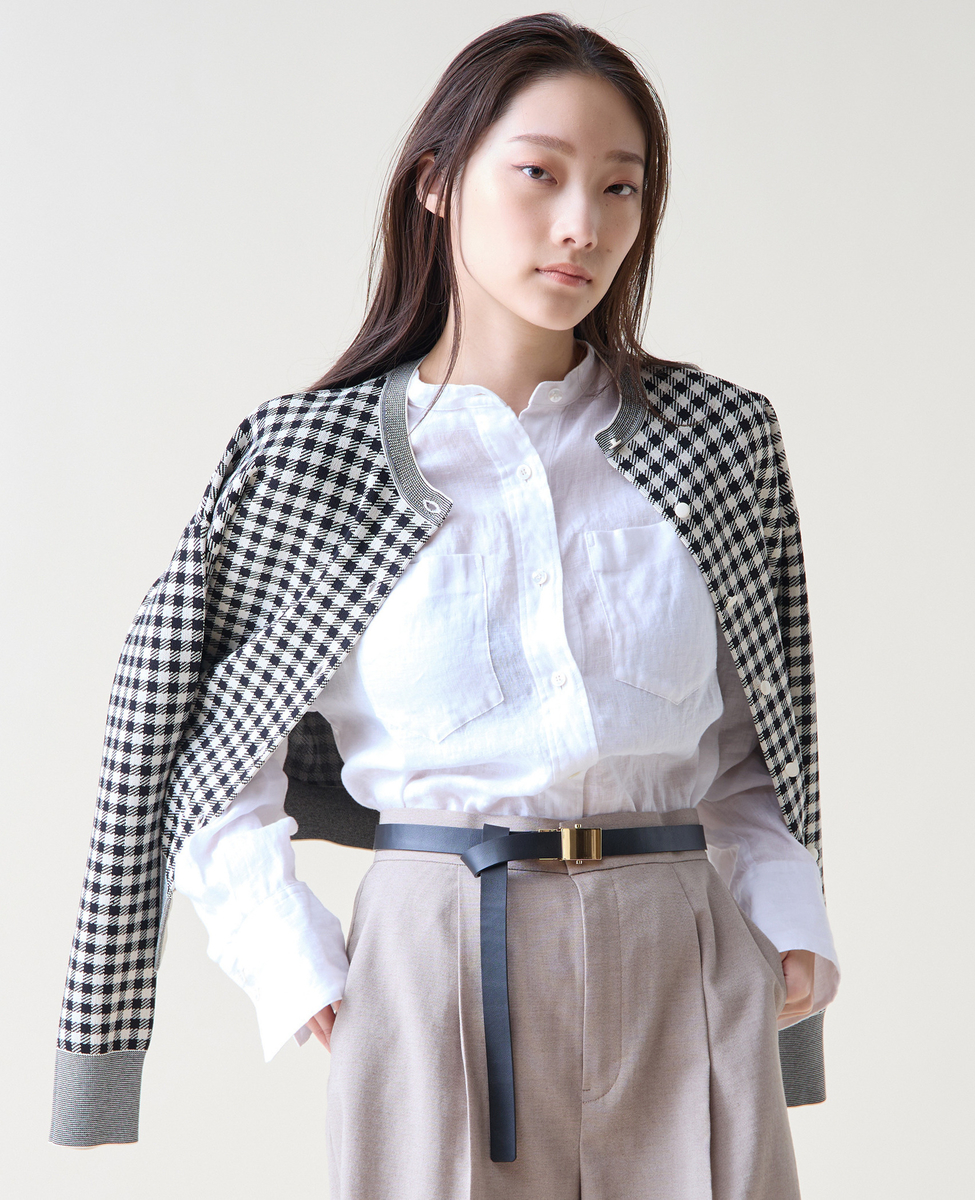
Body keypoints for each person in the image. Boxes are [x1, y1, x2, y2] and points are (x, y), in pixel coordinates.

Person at [50, 12, 839, 1199]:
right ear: (437, 182)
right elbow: (205, 756)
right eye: (539, 173)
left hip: (684, 955)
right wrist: (292, 960)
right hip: (436, 964)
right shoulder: (311, 460)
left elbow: (756, 743)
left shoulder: (716, 439)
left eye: (620, 188)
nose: (582, 225)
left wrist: (787, 924)